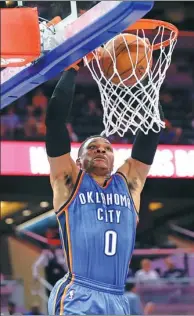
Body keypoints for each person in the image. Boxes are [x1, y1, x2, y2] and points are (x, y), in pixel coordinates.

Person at [46, 57, 164, 314]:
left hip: (117, 298)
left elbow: (152, 130)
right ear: (79, 160)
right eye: (92, 147)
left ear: (114, 158)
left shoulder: (129, 183)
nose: (101, 149)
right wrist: (71, 68)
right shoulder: (69, 181)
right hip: (79, 293)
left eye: (107, 148)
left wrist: (141, 76)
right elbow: (54, 120)